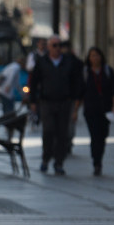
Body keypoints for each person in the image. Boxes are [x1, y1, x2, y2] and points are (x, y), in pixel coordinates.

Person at [28, 35, 83, 175]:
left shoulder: (69, 62)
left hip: (65, 102)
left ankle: (59, 162)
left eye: (60, 45)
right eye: (54, 45)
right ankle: (46, 158)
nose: (58, 48)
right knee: (48, 131)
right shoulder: (42, 62)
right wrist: (32, 101)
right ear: (48, 47)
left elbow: (77, 81)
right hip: (47, 102)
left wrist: (76, 102)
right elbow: (33, 83)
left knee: (62, 133)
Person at [79, 47, 114, 176]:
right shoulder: (85, 72)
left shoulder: (107, 71)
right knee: (94, 135)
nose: (95, 58)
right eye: (92, 56)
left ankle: (98, 158)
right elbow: (80, 92)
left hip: (105, 109)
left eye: (97, 55)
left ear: (101, 57)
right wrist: (75, 110)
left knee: (103, 136)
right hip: (91, 109)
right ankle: (96, 162)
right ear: (89, 58)